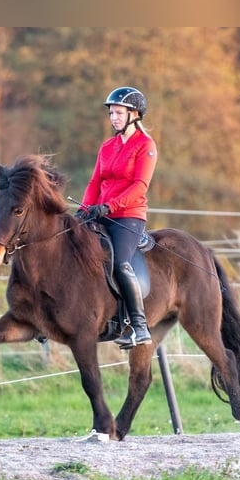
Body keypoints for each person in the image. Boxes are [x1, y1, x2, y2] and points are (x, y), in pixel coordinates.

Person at [75, 86, 158, 349]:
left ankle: (139, 326)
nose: (114, 118)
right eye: (111, 113)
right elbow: (95, 181)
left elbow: (139, 187)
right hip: (100, 213)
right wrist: (85, 209)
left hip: (128, 216)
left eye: (119, 113)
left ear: (134, 114)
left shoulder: (145, 146)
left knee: (120, 262)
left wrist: (108, 207)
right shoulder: (108, 146)